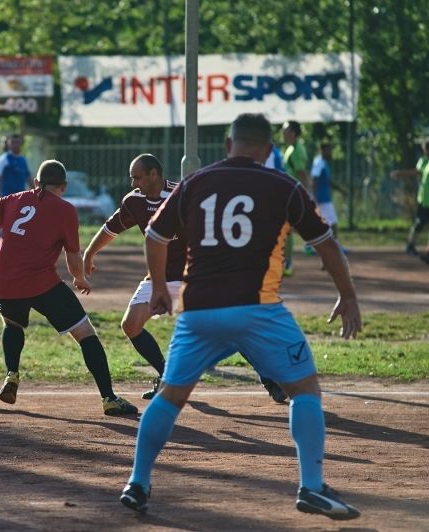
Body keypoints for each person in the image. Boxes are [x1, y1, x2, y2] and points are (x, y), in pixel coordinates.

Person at [120, 113, 362, 521]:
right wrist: (349, 297)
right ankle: (312, 487)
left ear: (228, 143)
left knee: (171, 397)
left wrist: (160, 287)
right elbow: (327, 246)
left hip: (199, 311)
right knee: (305, 392)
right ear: (269, 150)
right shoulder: (284, 186)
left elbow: (155, 235)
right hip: (259, 310)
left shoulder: (197, 181)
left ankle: (137, 484)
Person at [0, 159, 138, 416]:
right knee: (85, 333)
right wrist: (81, 279)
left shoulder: (13, 200)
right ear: (64, 186)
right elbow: (73, 260)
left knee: (12, 324)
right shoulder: (65, 209)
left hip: (5, 281)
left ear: (37, 182)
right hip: (41, 283)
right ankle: (109, 398)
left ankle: (12, 374)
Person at [83, 154, 287, 404]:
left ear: (153, 174)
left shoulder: (183, 195)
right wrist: (89, 254)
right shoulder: (133, 201)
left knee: (231, 326)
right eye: (132, 178)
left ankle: (270, 379)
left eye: (137, 177)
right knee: (131, 325)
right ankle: (167, 377)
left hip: (196, 277)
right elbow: (110, 229)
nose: (134, 183)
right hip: (159, 278)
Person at [0, 134, 34, 259]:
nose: (16, 144)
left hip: (21, 199)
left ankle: (17, 252)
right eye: (13, 142)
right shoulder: (4, 159)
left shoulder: (23, 160)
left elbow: (29, 178)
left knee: (21, 225)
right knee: (6, 225)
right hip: (7, 198)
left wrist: (37, 193)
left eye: (18, 142)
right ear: (8, 144)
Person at [307, 141, 349, 255]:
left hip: (323, 197)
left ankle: (310, 245)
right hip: (321, 198)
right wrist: (314, 196)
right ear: (322, 151)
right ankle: (335, 247)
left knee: (318, 223)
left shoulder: (323, 163)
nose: (330, 152)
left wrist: (341, 190)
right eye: (328, 150)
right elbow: (314, 178)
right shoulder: (319, 162)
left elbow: (327, 181)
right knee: (333, 222)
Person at [390, 141, 429, 256]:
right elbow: (416, 173)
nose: (426, 151)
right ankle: (410, 245)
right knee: (420, 223)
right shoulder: (424, 161)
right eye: (425, 149)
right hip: (425, 200)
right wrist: (401, 173)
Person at [282, 121, 309, 277]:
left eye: (285, 130)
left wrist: (305, 194)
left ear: (293, 133)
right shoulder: (291, 149)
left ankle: (288, 263)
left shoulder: (296, 150)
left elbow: (302, 173)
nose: (282, 132)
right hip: (289, 194)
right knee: (288, 229)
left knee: (287, 228)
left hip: (294, 194)